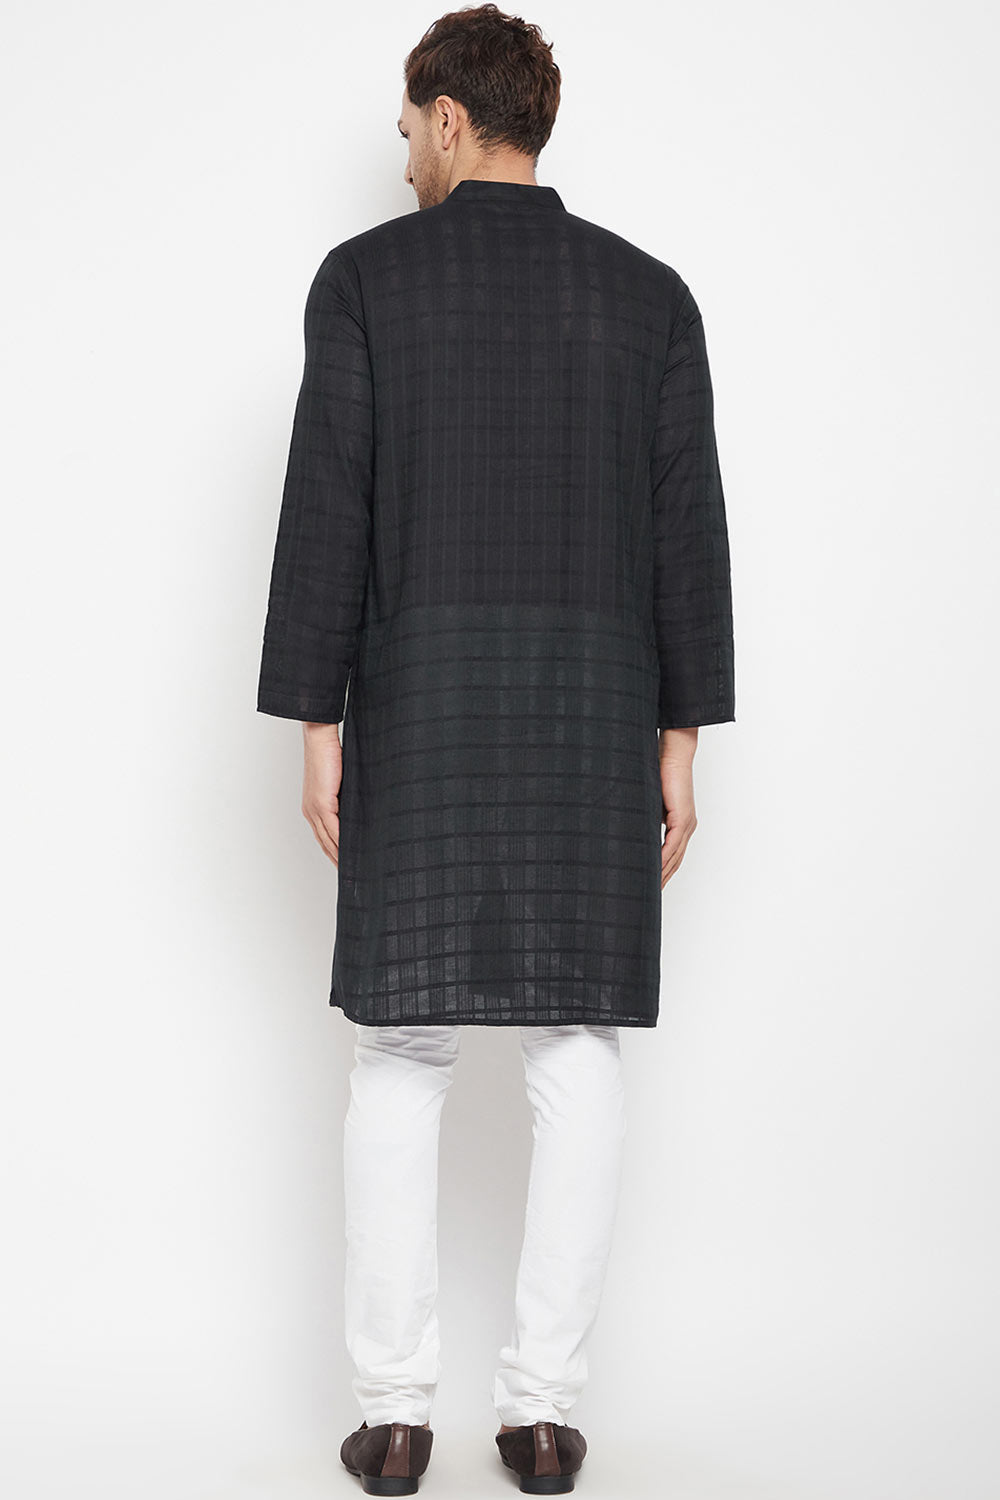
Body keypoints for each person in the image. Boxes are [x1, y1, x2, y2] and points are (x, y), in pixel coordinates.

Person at [256, 6, 736, 1493]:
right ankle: (541, 1416)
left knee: (399, 1048)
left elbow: (327, 507)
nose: (403, 149)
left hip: (421, 702)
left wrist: (319, 724)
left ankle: (395, 1413)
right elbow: (687, 532)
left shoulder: (365, 281)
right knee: (576, 1050)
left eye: (410, 125)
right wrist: (679, 738)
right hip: (594, 709)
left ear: (455, 118)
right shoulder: (650, 296)